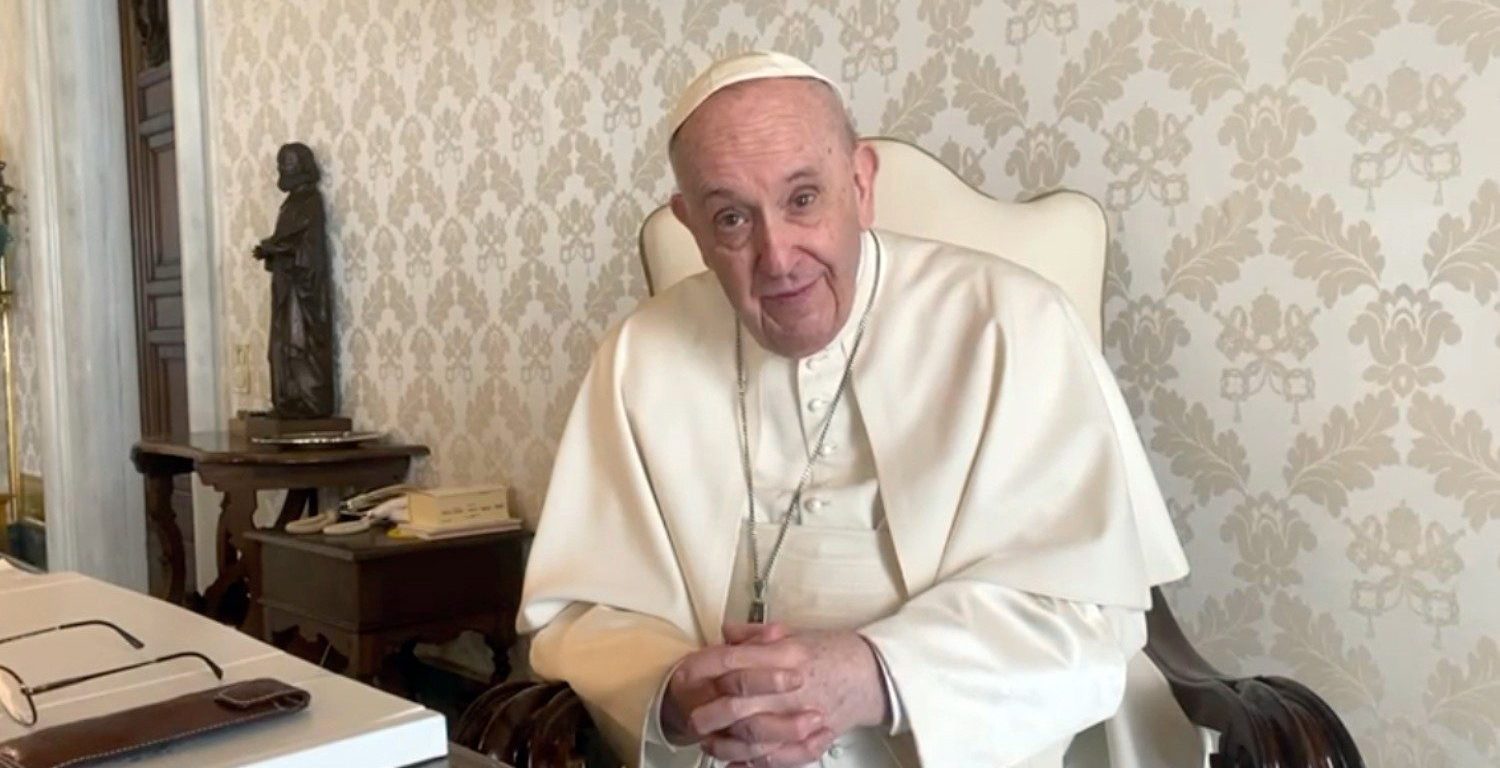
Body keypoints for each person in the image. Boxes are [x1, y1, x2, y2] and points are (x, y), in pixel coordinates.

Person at [518, 51, 1192, 768]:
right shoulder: (640, 356)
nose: (778, 257)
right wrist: (678, 691)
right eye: (732, 218)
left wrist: (875, 674)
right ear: (692, 229)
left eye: (803, 199)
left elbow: (1086, 615)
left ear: (861, 185)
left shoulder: (1011, 324)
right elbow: (586, 613)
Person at [253, 142, 336, 419]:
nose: (282, 168)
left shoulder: (311, 202)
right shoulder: (291, 203)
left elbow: (308, 249)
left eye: (288, 163)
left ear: (302, 165)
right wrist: (271, 250)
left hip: (302, 290)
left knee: (300, 344)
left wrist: (275, 249)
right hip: (286, 286)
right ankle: (287, 400)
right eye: (281, 163)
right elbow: (288, 240)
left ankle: (309, 402)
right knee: (281, 345)